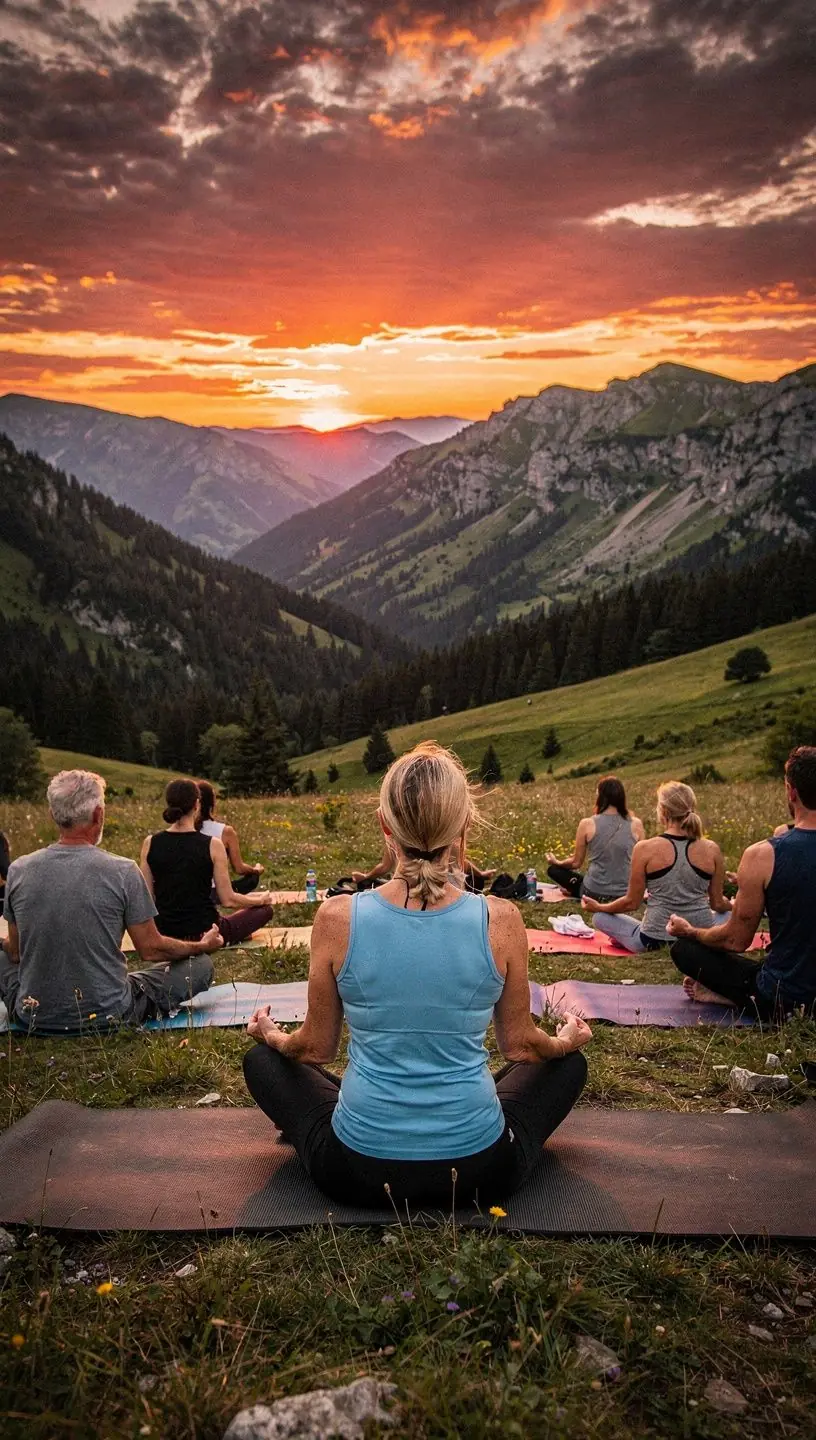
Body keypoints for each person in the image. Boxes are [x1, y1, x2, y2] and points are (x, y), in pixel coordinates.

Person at [243, 742, 591, 1209]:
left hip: (357, 1171)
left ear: (386, 827)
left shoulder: (337, 917)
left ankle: (376, 1104)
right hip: (477, 1172)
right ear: (464, 824)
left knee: (262, 1063)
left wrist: (273, 1037)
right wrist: (565, 1042)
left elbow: (316, 1049)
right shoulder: (501, 919)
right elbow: (521, 1047)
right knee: (566, 1066)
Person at [0, 770, 222, 1033]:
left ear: (53, 815)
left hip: (33, 1014)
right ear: (98, 815)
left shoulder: (19, 870)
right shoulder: (123, 871)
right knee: (202, 966)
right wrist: (200, 946)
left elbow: (15, 952)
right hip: (111, 1012)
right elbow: (151, 950)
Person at [668, 747, 816, 1019]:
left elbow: (735, 940)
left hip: (784, 998)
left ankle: (733, 998)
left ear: (791, 791)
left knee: (684, 950)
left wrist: (691, 932)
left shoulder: (762, 854)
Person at [582, 781, 730, 953]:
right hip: (702, 937)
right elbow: (718, 904)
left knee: (599, 918)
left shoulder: (645, 848)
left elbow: (631, 903)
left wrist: (599, 907)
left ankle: (626, 935)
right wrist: (734, 906)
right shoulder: (712, 849)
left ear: (663, 812)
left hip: (653, 939)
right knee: (727, 915)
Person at [140, 780, 275, 947]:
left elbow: (146, 898)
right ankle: (236, 933)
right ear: (197, 804)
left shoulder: (150, 843)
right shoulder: (212, 845)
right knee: (265, 911)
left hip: (164, 933)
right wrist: (260, 901)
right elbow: (228, 900)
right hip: (206, 932)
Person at [545, 776, 644, 901]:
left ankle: (574, 890)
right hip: (625, 893)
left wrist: (557, 862)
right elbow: (640, 864)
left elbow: (576, 863)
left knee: (553, 870)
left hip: (593, 892)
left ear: (600, 797)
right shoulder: (636, 824)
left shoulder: (587, 824)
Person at [197, 780, 265, 894]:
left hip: (188, 891)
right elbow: (239, 868)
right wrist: (255, 870)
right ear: (212, 803)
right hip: (216, 891)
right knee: (252, 878)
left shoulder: (183, 829)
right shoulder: (225, 831)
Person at [351, 841, 495, 893]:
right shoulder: (444, 837)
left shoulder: (394, 840)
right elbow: (462, 862)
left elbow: (384, 867)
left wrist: (366, 877)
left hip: (407, 889)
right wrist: (365, 877)